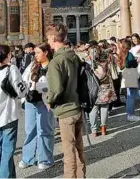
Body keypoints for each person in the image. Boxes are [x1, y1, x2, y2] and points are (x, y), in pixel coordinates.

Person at [45, 23, 86, 178]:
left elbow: (56, 89)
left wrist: (49, 100)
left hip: (66, 109)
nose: (48, 41)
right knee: (79, 148)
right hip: (77, 106)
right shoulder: (73, 56)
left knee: (68, 152)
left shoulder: (56, 61)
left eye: (48, 38)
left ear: (52, 38)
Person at [0, 45, 27, 178]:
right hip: (8, 114)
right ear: (8, 55)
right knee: (7, 150)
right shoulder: (10, 69)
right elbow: (21, 90)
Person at [19, 43, 55, 170]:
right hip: (31, 100)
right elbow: (24, 79)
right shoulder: (33, 64)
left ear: (46, 52)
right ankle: (27, 157)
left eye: (38, 52)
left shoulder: (52, 65)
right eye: (35, 53)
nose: (36, 55)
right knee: (30, 130)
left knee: (44, 130)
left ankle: (45, 159)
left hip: (45, 101)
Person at [89, 47, 117, 134]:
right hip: (106, 87)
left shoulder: (91, 65)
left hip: (94, 89)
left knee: (93, 108)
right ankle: (103, 128)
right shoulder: (107, 63)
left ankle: (94, 130)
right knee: (104, 108)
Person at [118, 39, 140, 122]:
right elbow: (133, 64)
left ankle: (129, 114)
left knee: (129, 96)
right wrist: (137, 61)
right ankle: (131, 114)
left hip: (125, 75)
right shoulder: (129, 54)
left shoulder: (121, 54)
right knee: (131, 96)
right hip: (131, 75)